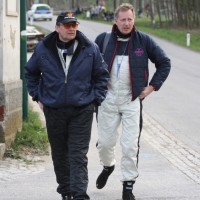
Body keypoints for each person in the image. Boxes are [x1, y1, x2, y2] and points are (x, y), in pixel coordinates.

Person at [25, 11, 109, 200]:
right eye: (67, 25)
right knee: (60, 154)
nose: (72, 29)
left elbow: (102, 75)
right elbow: (30, 73)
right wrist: (38, 96)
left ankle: (79, 194)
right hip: (54, 110)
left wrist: (96, 99)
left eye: (74, 25)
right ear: (58, 28)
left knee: (78, 154)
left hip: (82, 109)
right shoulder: (43, 49)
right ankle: (66, 192)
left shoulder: (90, 48)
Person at [95, 3, 171, 200]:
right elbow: (88, 65)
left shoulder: (143, 41)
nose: (127, 23)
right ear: (116, 21)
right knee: (104, 143)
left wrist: (152, 86)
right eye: (123, 19)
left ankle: (128, 186)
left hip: (132, 101)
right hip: (107, 100)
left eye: (130, 19)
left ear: (134, 20)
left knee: (130, 146)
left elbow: (164, 63)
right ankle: (108, 166)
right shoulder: (103, 40)